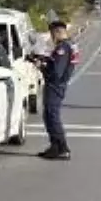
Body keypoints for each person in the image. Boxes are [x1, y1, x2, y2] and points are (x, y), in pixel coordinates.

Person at [29, 19, 76, 160]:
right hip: (57, 85)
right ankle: (54, 146)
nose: (51, 38)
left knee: (52, 116)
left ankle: (62, 148)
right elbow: (55, 62)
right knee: (49, 115)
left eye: (52, 34)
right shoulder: (69, 45)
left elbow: (56, 72)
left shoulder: (63, 48)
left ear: (57, 32)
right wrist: (42, 58)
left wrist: (41, 66)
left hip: (55, 86)